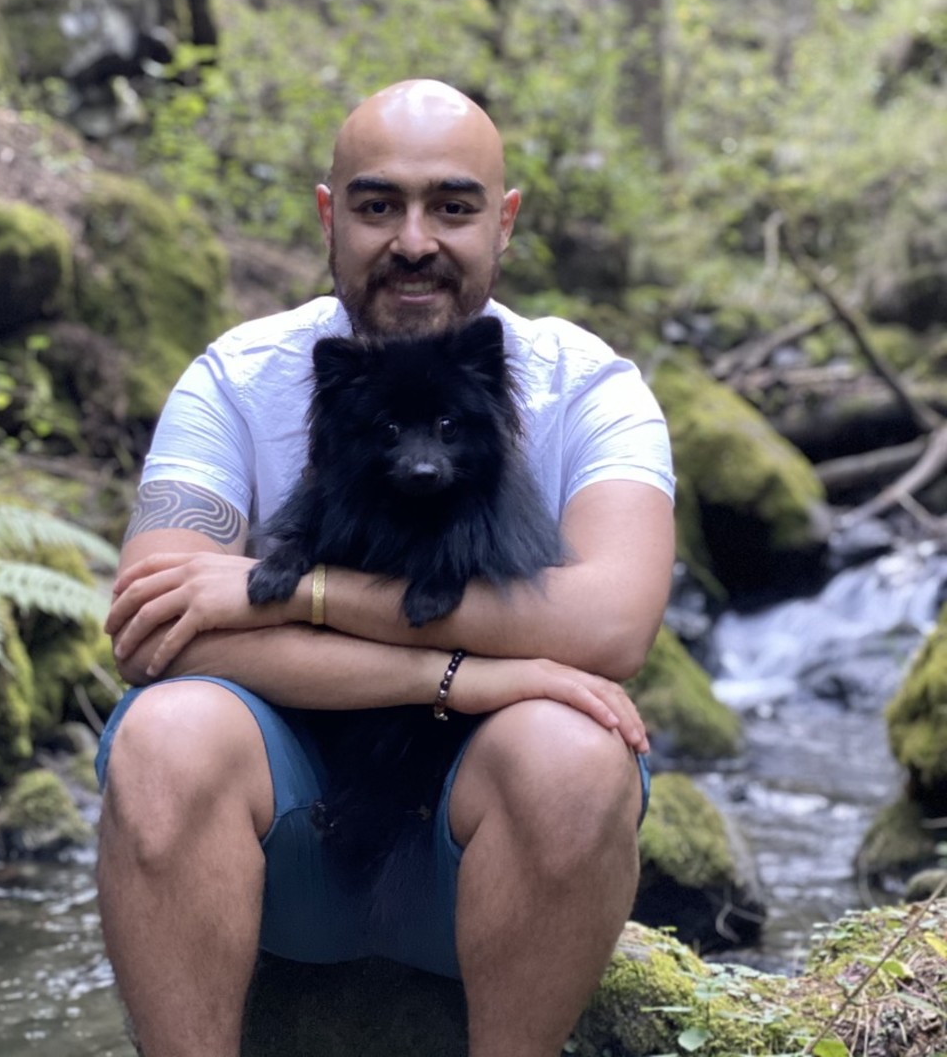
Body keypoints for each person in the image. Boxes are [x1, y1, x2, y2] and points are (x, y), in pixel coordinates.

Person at [97, 78, 675, 1057]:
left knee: (575, 752)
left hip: (480, 841)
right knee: (166, 733)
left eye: (452, 207)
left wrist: (306, 595)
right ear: (330, 217)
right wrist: (461, 674)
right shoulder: (237, 379)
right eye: (378, 206)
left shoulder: (590, 390)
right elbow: (155, 633)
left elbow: (611, 626)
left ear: (504, 221)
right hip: (286, 835)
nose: (414, 241)